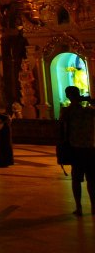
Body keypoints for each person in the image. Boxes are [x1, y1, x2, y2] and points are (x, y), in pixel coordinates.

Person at [60, 85, 95, 216]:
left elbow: (62, 125)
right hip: (90, 148)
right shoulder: (89, 111)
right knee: (92, 179)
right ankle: (93, 206)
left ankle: (79, 207)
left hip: (75, 149)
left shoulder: (67, 111)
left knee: (76, 180)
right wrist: (89, 100)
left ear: (68, 96)